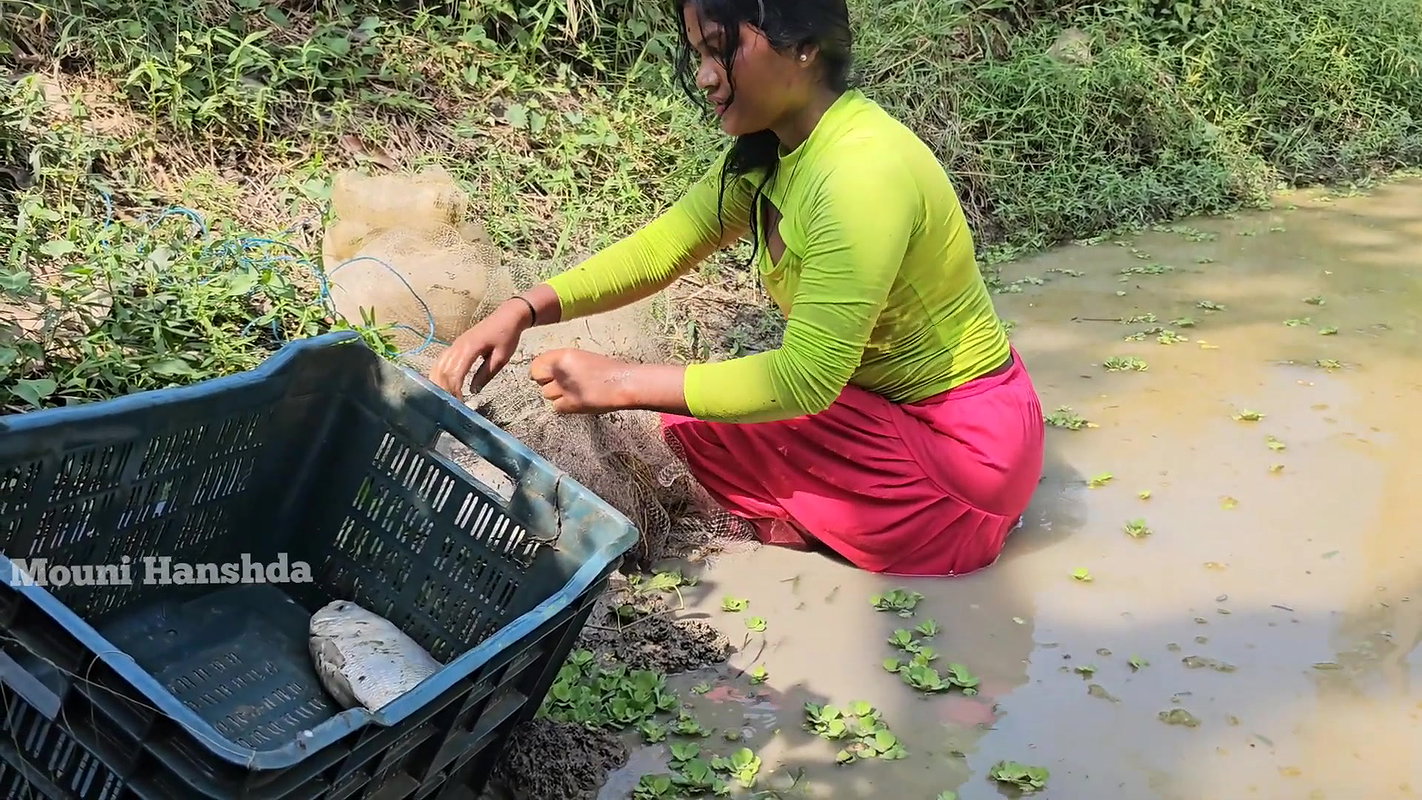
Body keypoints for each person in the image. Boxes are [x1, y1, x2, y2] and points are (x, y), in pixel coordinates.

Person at [429, 0, 1045, 577]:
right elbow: (661, 248)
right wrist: (524, 309)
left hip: (960, 458)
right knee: (697, 423)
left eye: (720, 50)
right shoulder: (773, 154)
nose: (704, 77)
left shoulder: (861, 174)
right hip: (881, 408)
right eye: (697, 53)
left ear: (802, 45)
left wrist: (620, 383)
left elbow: (804, 379)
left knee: (686, 434)